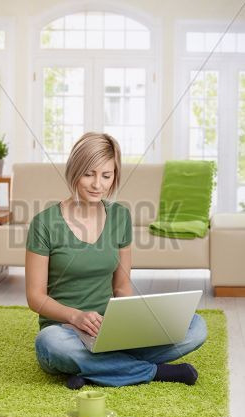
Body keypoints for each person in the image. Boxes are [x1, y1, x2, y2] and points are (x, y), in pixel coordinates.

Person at [25, 132, 207, 390]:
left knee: (196, 326)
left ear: (114, 177)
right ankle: (153, 372)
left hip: (110, 331)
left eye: (106, 176)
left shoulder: (120, 216)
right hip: (65, 332)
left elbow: (121, 287)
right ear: (74, 171)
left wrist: (133, 324)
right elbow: (35, 297)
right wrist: (76, 317)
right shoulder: (43, 223)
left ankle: (94, 370)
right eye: (89, 174)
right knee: (49, 343)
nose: (97, 184)